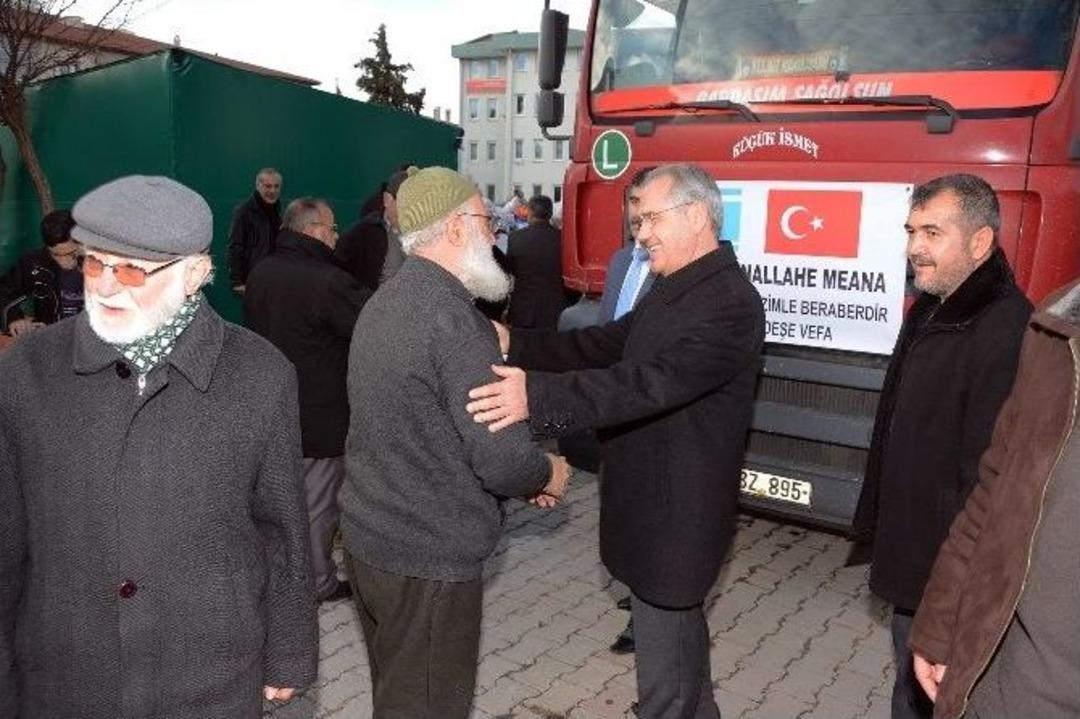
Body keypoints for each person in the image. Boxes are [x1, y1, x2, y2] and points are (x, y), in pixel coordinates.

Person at [0, 175, 317, 717]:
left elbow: (281, 526)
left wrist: (288, 650)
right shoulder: (27, 373)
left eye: (130, 270)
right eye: (93, 264)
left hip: (208, 672)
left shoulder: (260, 375)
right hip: (67, 674)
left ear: (194, 274)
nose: (105, 287)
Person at [467, 163, 765, 719]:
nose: (641, 235)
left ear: (695, 216)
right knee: (674, 650)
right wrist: (518, 345)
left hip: (679, 511)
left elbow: (647, 383)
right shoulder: (676, 286)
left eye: (650, 219)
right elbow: (605, 345)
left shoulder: (729, 302)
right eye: (637, 222)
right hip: (651, 502)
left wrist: (538, 397)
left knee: (668, 665)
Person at [339, 166, 572, 719]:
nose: (494, 234)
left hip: (371, 544)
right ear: (453, 228)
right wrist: (547, 473)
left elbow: (424, 427)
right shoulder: (455, 323)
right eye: (485, 221)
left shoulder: (385, 302)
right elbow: (501, 460)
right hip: (427, 560)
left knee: (397, 696)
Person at [849, 174, 1032, 719]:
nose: (915, 248)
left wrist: (955, 597)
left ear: (980, 242)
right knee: (908, 686)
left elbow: (991, 485)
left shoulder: (1005, 329)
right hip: (916, 556)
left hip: (947, 573)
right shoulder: (934, 304)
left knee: (928, 697)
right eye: (911, 231)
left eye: (932, 232)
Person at [909, 277, 1080, 719]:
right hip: (1007, 688)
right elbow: (994, 488)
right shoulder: (1056, 325)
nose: (916, 249)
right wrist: (941, 622)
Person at [244, 197, 371, 604]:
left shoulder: (262, 272)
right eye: (332, 229)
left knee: (278, 501)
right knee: (318, 504)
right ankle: (317, 582)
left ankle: (277, 573)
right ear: (314, 231)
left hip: (270, 408)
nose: (336, 236)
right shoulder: (329, 281)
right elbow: (371, 328)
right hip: (321, 413)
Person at [0, 209, 83, 336]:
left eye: (70, 253)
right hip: (50, 336)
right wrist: (14, 319)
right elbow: (3, 293)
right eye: (55, 254)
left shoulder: (102, 261)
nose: (63, 262)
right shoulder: (34, 263)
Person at [335, 166, 414, 291]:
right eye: (405, 204)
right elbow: (341, 280)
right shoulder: (361, 235)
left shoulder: (431, 232)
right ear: (387, 199)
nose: (410, 212)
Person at [505, 195, 568, 330]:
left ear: (530, 212)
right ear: (550, 214)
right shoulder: (563, 239)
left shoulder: (516, 238)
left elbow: (509, 272)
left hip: (523, 311)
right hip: (555, 312)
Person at [228, 167, 283, 293]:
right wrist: (237, 281)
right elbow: (236, 246)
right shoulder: (244, 211)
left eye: (276, 186)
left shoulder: (282, 212)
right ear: (258, 186)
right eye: (268, 186)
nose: (273, 190)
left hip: (278, 278)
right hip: (254, 278)